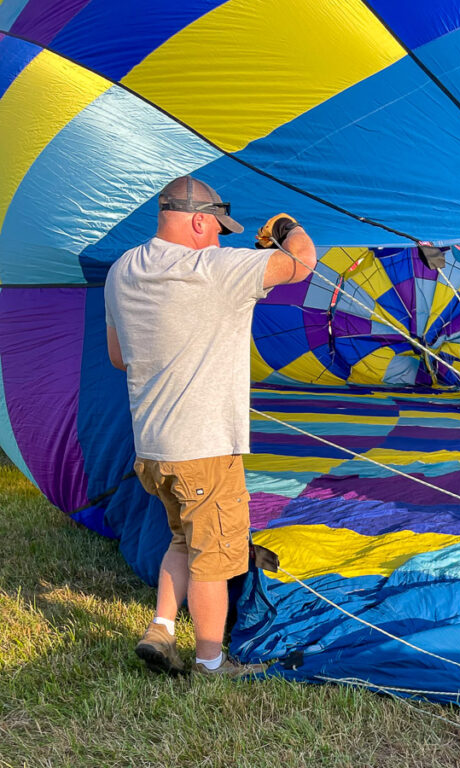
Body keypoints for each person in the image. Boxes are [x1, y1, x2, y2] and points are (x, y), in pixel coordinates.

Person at [104, 175, 316, 676]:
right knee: (214, 561)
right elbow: (304, 261)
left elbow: (118, 357)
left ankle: (160, 628)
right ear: (199, 220)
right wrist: (287, 226)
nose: (222, 239)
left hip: (153, 448)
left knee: (183, 539)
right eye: (218, 228)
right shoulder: (214, 267)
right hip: (204, 447)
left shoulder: (121, 270)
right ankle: (210, 664)